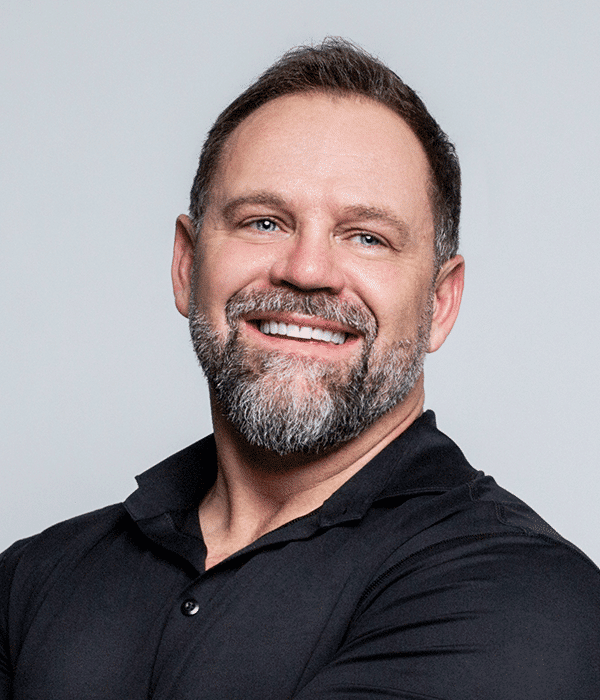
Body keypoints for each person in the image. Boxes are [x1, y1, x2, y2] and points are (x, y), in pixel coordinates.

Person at [1, 38, 599, 699]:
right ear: (186, 265)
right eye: (264, 222)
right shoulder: (33, 578)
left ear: (440, 302)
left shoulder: (522, 596)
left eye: (367, 237)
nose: (307, 270)